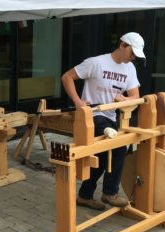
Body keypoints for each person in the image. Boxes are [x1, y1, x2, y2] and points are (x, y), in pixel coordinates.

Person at [61, 32, 144, 211]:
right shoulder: (96, 62)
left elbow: (135, 96)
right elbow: (67, 77)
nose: (132, 58)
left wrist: (124, 100)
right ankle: (109, 193)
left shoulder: (130, 69)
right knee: (118, 146)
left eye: (136, 56)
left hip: (111, 116)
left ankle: (85, 196)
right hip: (91, 115)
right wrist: (78, 102)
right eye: (132, 53)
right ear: (122, 45)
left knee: (103, 156)